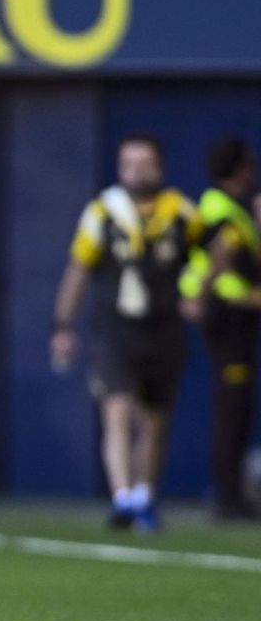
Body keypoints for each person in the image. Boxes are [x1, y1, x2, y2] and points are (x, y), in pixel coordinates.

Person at [51, 135, 203, 532]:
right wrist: (62, 324)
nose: (138, 170)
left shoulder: (182, 212)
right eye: (129, 162)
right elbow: (78, 269)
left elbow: (206, 258)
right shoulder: (103, 211)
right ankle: (122, 499)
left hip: (164, 328)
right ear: (119, 168)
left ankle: (144, 495)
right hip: (115, 328)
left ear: (160, 166)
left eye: (146, 162)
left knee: (155, 420)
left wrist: (197, 291)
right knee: (116, 409)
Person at [181, 137, 261, 520]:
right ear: (238, 168)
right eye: (249, 163)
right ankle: (228, 497)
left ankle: (231, 493)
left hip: (231, 314)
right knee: (232, 405)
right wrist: (202, 297)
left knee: (237, 404)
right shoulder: (223, 209)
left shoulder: (224, 205)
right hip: (227, 316)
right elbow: (219, 258)